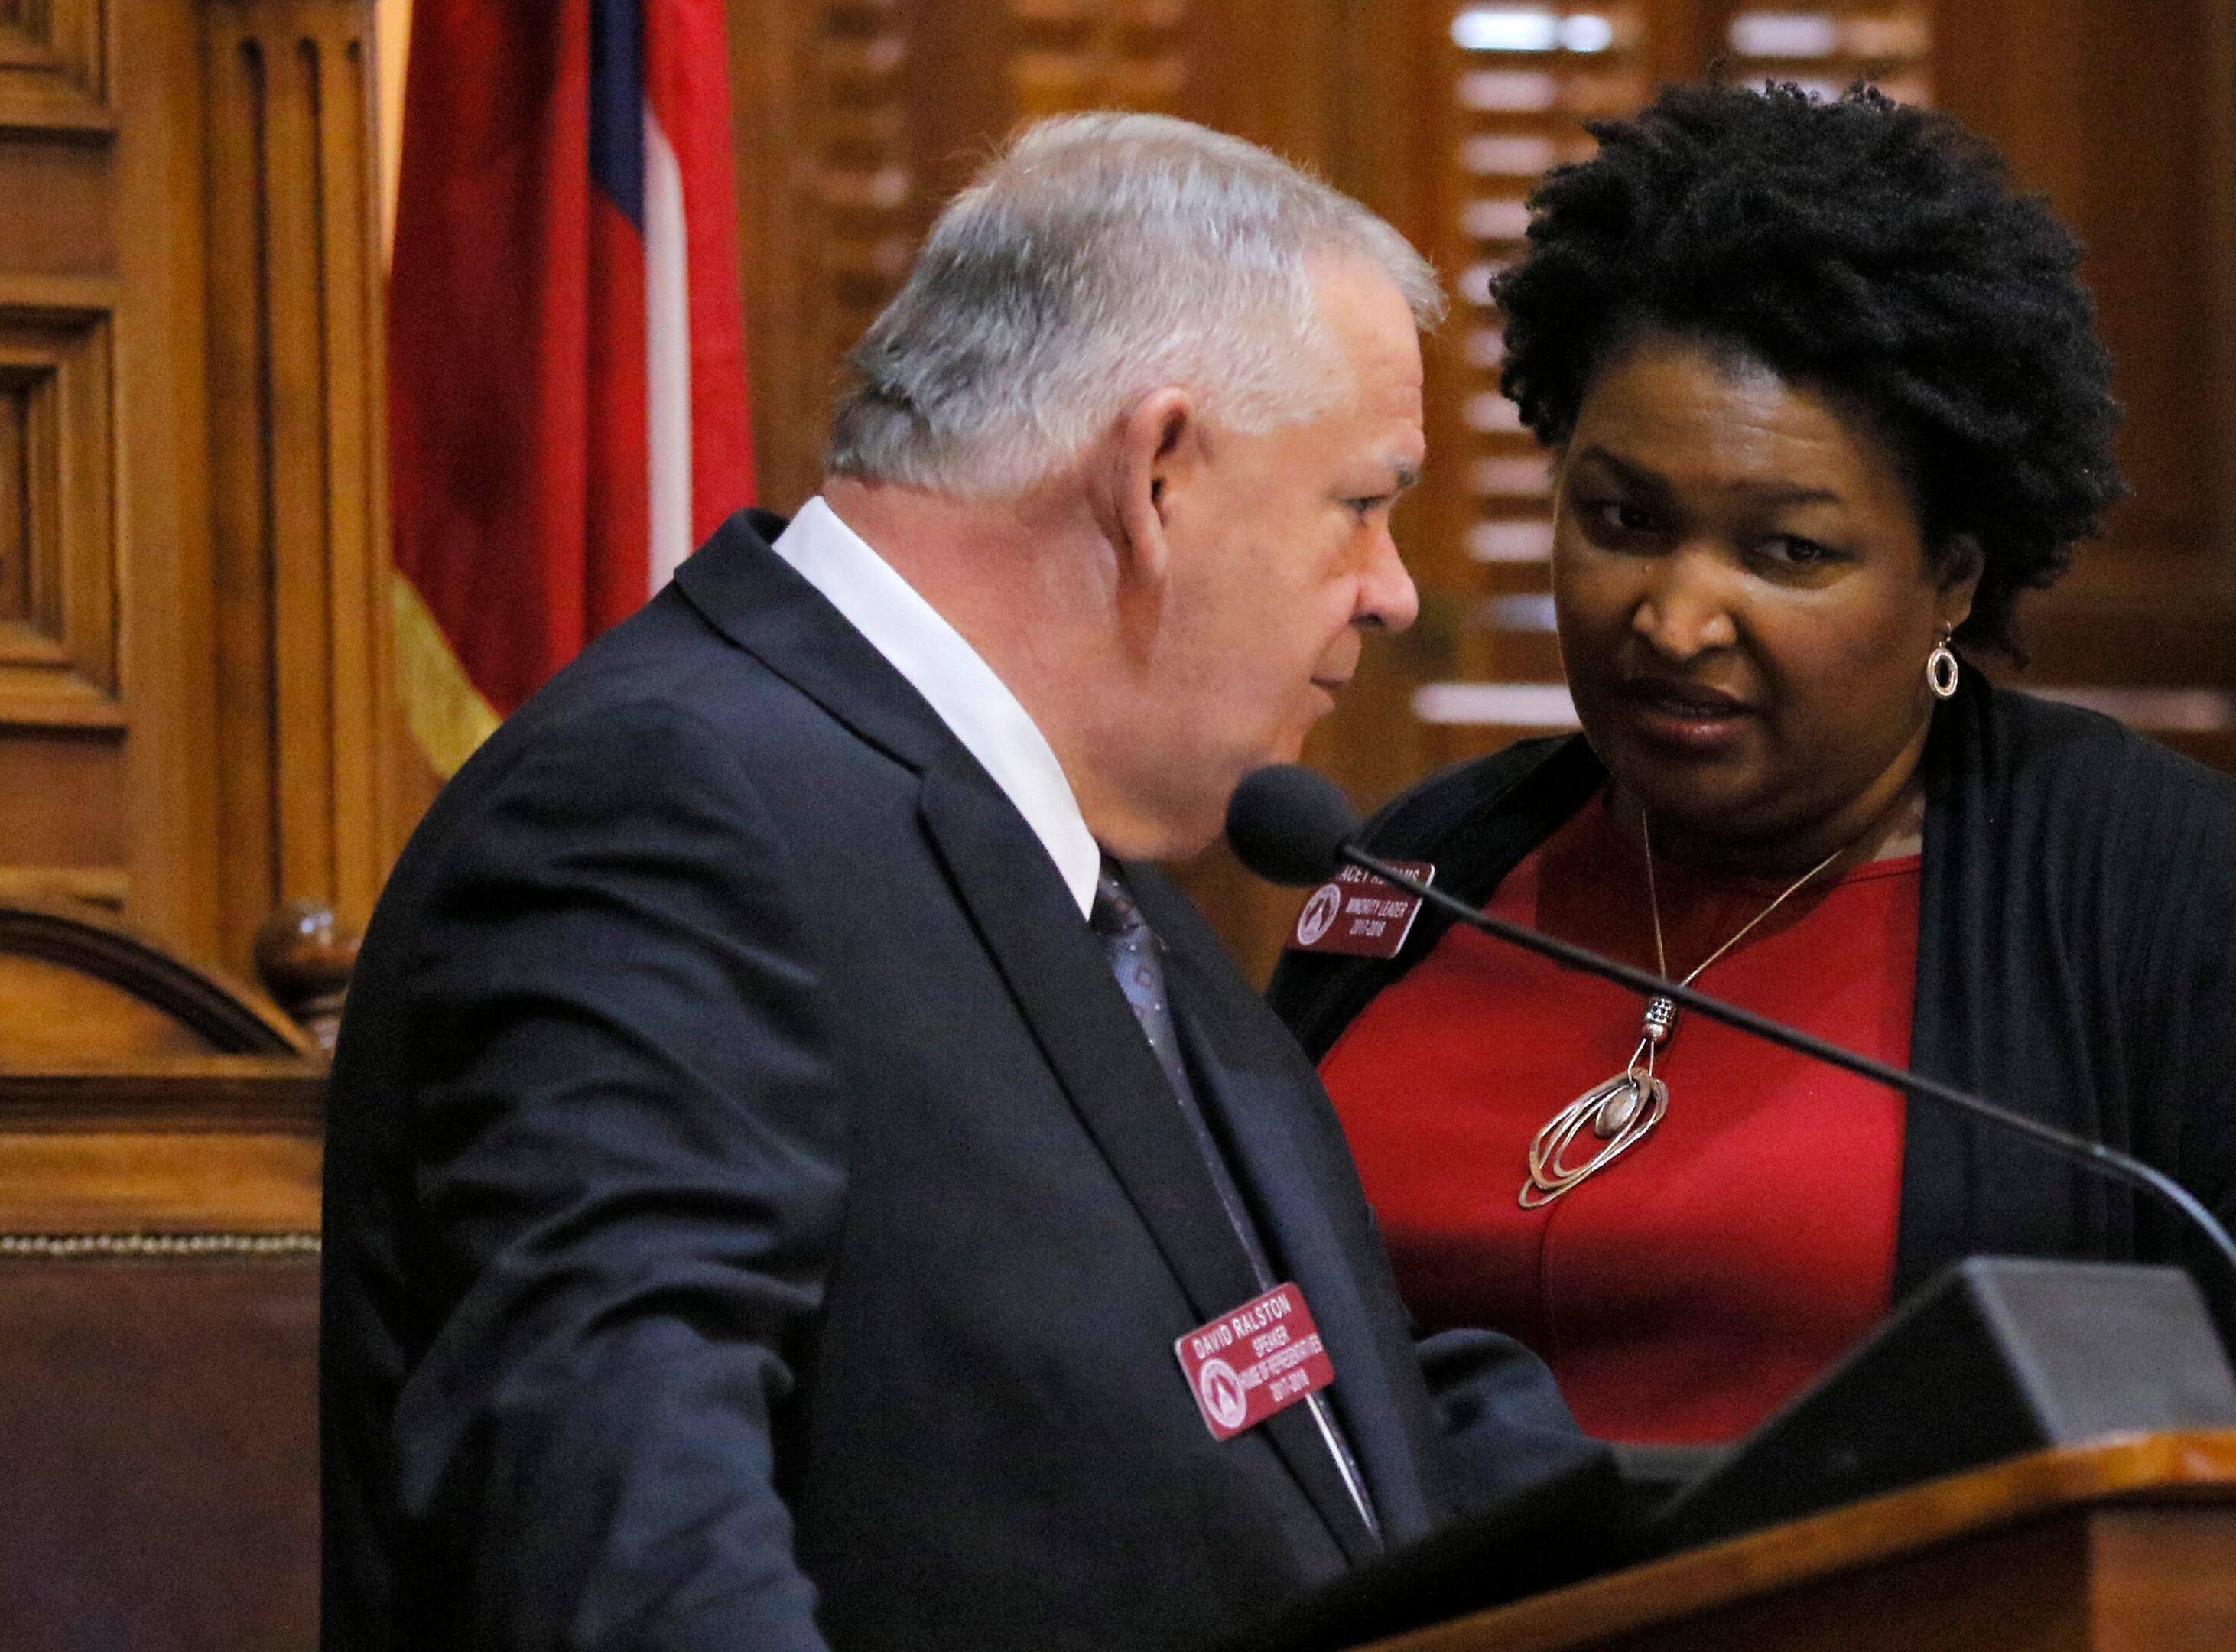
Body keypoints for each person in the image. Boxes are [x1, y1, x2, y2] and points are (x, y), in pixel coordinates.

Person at [322, 115, 1593, 1650]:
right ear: (1161, 475)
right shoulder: (660, 810)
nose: (1392, 589)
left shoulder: (1081, 859)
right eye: (1363, 502)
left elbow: (1329, 1413)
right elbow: (621, 1537)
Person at [1269, 84, 2236, 1442]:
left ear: (1951, 578)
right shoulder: (1423, 868)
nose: (1674, 619)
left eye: (1788, 551)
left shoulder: (2192, 908)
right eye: (1621, 520)